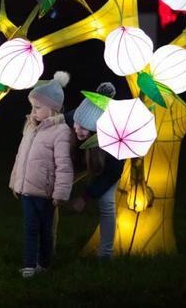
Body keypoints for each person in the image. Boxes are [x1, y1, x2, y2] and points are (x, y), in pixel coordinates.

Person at [9, 71, 74, 278]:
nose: (34, 111)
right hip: (27, 191)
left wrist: (60, 194)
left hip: (46, 194)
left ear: (52, 108)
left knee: (45, 230)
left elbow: (63, 165)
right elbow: (21, 157)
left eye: (38, 107)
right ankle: (29, 266)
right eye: (32, 107)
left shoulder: (61, 131)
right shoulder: (30, 128)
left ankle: (43, 264)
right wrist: (15, 183)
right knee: (30, 229)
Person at [67, 82, 124, 259]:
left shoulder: (114, 143)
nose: (79, 130)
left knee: (106, 202)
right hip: (80, 160)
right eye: (77, 124)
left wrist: (86, 197)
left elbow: (112, 174)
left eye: (85, 128)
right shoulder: (72, 119)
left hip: (104, 164)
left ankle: (106, 253)